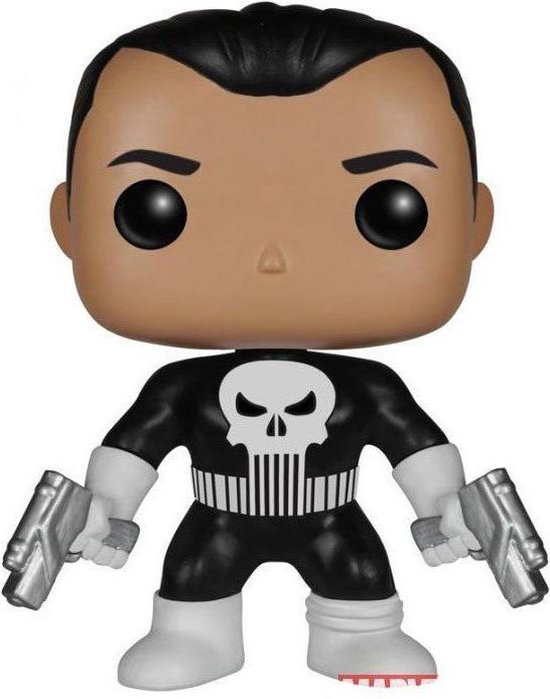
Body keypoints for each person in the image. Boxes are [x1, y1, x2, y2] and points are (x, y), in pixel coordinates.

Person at [49, 2, 494, 690]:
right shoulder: (178, 389)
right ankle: (194, 635)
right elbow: (135, 449)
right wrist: (106, 509)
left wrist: (446, 508)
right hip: (217, 518)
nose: (272, 259)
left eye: (389, 209)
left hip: (333, 518)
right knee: (196, 577)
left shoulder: (372, 387)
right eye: (154, 209)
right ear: (68, 222)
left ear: (474, 222)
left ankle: (360, 634)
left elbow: (415, 448)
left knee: (358, 576)